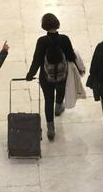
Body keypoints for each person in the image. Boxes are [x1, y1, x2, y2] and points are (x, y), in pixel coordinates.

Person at [25, 13, 76, 141]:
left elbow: (36, 60)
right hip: (61, 74)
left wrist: (30, 74)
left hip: (46, 77)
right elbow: (71, 56)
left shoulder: (42, 41)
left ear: (44, 26)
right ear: (57, 24)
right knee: (60, 90)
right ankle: (58, 107)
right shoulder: (64, 39)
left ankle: (51, 128)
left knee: (48, 100)